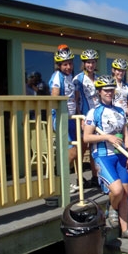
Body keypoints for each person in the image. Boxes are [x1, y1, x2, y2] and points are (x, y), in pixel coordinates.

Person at [83, 75, 128, 241]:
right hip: (103, 155)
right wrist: (107, 137)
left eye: (111, 90)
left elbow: (125, 135)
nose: (109, 92)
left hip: (121, 155)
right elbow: (86, 137)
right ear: (99, 92)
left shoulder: (120, 111)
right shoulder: (94, 112)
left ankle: (125, 229)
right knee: (116, 190)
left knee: (125, 192)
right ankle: (112, 207)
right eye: (105, 90)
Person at [49, 44, 78, 193]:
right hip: (61, 118)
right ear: (59, 65)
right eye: (65, 64)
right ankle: (60, 181)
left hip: (72, 118)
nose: (68, 67)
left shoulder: (70, 77)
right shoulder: (57, 77)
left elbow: (74, 98)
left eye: (70, 64)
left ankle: (62, 179)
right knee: (72, 151)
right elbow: (55, 97)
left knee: (75, 150)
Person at [73, 49, 100, 188]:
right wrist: (81, 119)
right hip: (84, 116)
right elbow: (76, 100)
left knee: (94, 148)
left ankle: (95, 176)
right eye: (88, 62)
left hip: (97, 117)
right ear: (84, 63)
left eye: (93, 62)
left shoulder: (98, 77)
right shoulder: (78, 79)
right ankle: (79, 177)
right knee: (82, 148)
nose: (90, 65)